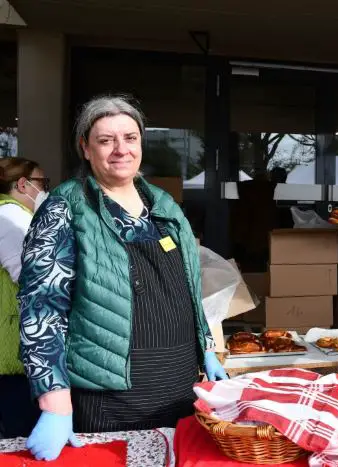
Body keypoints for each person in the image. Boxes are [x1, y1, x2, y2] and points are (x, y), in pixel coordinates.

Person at [18, 95, 228, 461]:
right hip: (109, 399)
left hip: (181, 388)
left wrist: (207, 347)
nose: (121, 150)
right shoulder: (64, 208)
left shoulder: (164, 205)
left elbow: (189, 290)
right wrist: (53, 400)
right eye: (105, 140)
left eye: (130, 138)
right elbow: (41, 309)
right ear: (85, 148)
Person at [0, 157, 47, 438]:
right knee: (22, 432)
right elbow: (30, 275)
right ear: (23, 184)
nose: (45, 191)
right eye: (42, 183)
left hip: (14, 336)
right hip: (14, 340)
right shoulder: (11, 217)